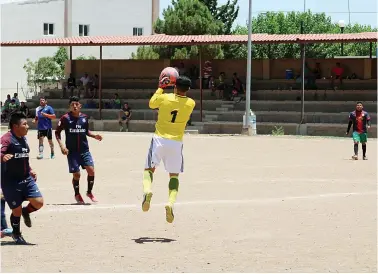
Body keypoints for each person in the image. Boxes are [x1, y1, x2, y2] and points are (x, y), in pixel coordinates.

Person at [141, 76, 195, 223]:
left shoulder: (165, 98)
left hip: (159, 139)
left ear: (175, 86)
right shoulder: (191, 103)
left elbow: (152, 104)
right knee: (174, 176)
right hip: (176, 143)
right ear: (188, 89)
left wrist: (161, 86)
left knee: (149, 170)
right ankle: (170, 203)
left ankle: (147, 191)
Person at [1, 112, 44, 244]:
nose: (28, 126)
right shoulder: (6, 139)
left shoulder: (23, 139)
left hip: (26, 178)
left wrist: (30, 170)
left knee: (38, 202)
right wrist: (2, 157)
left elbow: (24, 157)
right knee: (16, 210)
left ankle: (27, 212)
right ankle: (16, 233)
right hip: (10, 181)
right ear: (15, 126)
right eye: (24, 124)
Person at [55, 96, 103, 204]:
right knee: (76, 174)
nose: (75, 106)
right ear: (69, 107)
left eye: (77, 104)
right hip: (72, 152)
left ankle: (89, 192)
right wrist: (62, 146)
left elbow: (86, 131)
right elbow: (57, 133)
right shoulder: (65, 118)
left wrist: (95, 136)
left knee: (91, 171)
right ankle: (77, 194)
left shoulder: (85, 118)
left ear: (80, 106)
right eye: (72, 105)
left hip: (84, 150)